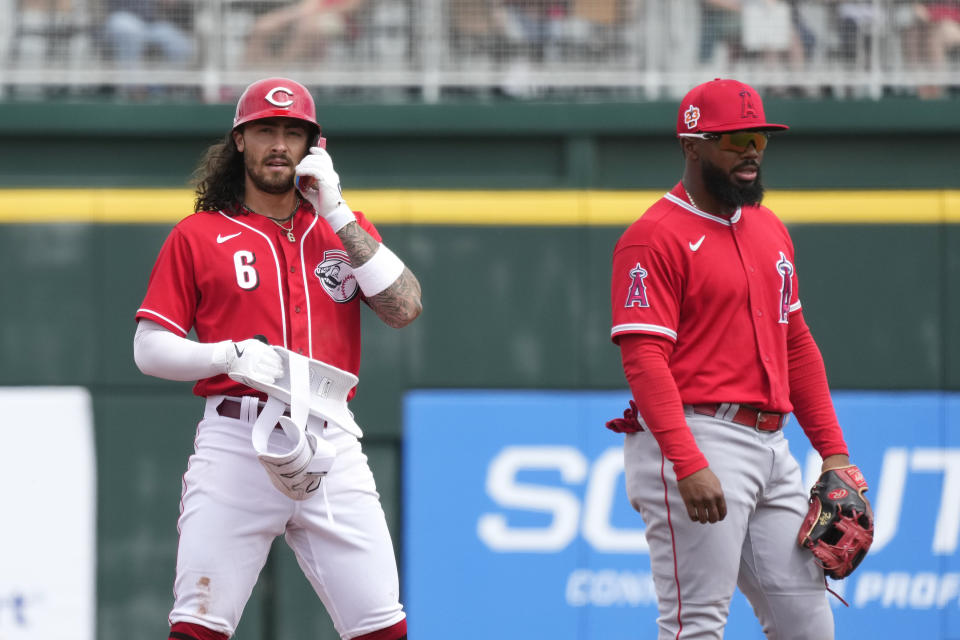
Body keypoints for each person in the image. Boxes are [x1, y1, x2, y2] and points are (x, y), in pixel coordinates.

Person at [133, 77, 420, 640]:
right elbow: (148, 348)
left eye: (295, 132)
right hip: (237, 438)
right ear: (240, 140)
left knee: (383, 627)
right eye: (266, 130)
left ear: (317, 145)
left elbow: (404, 307)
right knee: (199, 625)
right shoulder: (200, 234)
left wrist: (336, 210)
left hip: (331, 437)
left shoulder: (344, 228)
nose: (280, 144)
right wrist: (229, 354)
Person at [605, 78, 869, 639]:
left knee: (807, 626)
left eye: (760, 139)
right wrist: (687, 460)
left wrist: (835, 453)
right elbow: (644, 358)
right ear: (691, 145)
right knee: (695, 625)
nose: (750, 149)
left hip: (774, 447)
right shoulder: (653, 237)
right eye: (733, 139)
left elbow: (796, 344)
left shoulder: (768, 227)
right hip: (700, 436)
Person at [243, 0, 366, 67]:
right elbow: (308, 6)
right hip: (309, 15)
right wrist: (295, 15)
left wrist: (315, 13)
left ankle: (282, 68)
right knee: (264, 25)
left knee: (308, 28)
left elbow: (351, 7)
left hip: (341, 20)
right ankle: (249, 73)